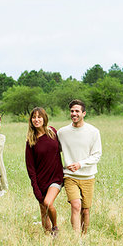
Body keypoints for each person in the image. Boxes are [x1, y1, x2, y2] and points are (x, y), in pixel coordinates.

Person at [57, 99, 101, 234]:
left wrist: (80, 164)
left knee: (85, 210)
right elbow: (53, 149)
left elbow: (97, 154)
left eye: (77, 111)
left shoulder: (93, 132)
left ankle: (84, 236)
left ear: (84, 113)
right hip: (70, 176)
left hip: (88, 176)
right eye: (72, 111)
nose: (74, 114)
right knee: (76, 206)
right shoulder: (62, 132)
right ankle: (76, 238)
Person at [25, 107, 64, 236]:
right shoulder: (31, 140)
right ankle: (47, 237)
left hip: (55, 177)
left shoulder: (52, 132)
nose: (36, 120)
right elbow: (30, 168)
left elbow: (64, 149)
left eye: (39, 117)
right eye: (34, 117)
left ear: (44, 118)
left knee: (48, 203)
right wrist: (35, 187)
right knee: (43, 211)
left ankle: (55, 228)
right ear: (31, 120)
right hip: (40, 181)